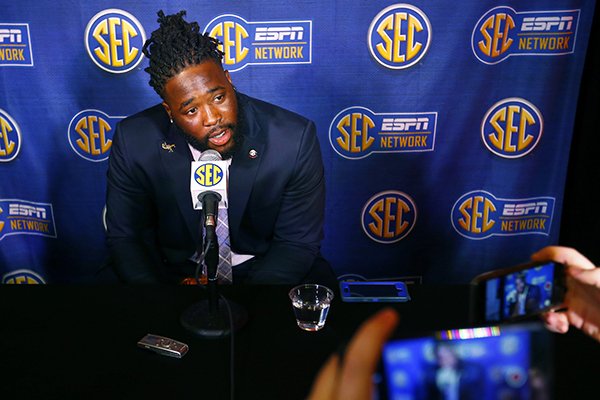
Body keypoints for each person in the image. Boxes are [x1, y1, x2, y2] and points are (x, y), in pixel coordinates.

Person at [105, 10, 333, 285]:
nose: (213, 118)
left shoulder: (292, 138)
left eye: (219, 97)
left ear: (228, 79)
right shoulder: (134, 140)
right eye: (191, 111)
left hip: (263, 270)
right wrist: (163, 297)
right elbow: (128, 237)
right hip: (176, 272)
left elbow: (296, 243)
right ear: (169, 111)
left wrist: (247, 302)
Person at [308, 246, 600, 399]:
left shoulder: (473, 375)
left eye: (445, 353)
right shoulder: (428, 380)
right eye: (442, 354)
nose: (445, 355)